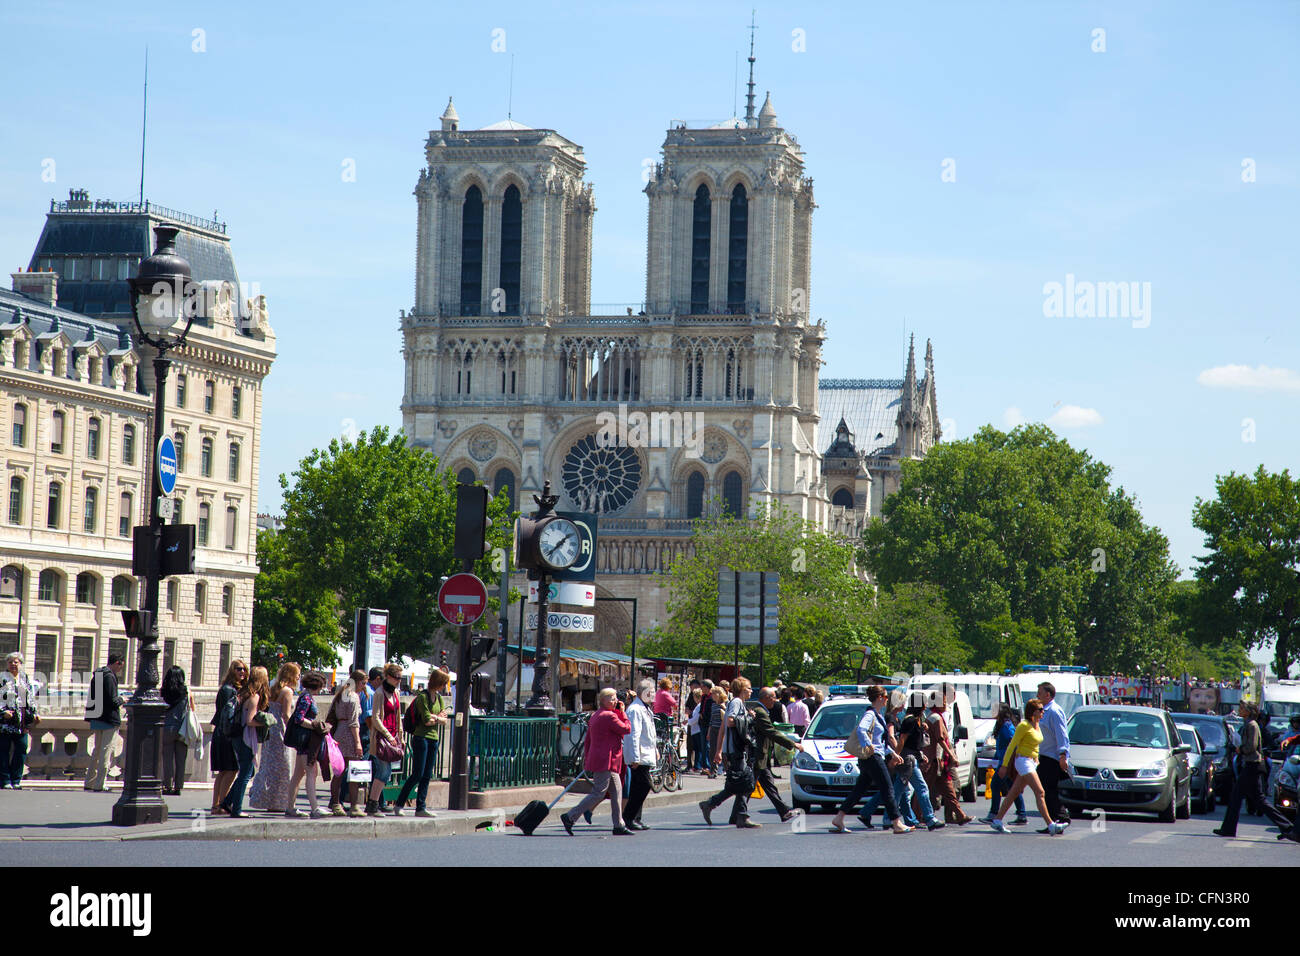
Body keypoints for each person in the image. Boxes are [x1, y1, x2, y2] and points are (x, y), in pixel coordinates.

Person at [830, 686, 913, 834]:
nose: (887, 700)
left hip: (870, 757)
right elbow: (862, 730)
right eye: (886, 697)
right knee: (888, 788)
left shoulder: (877, 715)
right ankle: (896, 823)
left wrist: (892, 753)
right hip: (873, 758)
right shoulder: (870, 714)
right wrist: (868, 746)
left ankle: (839, 818)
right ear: (880, 698)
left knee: (859, 790)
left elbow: (879, 741)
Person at [1215, 703, 1294, 839]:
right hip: (1251, 764)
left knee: (1240, 797)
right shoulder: (1249, 724)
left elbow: (1252, 746)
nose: (1239, 711)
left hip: (1253, 765)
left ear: (1249, 711)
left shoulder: (1252, 725)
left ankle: (1228, 829)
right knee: (1256, 799)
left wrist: (1240, 748)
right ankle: (1288, 828)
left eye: (1242, 709)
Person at [561, 688, 633, 835]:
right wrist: (624, 713)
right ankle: (570, 816)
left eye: (615, 698)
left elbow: (589, 739)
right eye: (611, 698)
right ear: (603, 700)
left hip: (604, 759)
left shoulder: (596, 715)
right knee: (598, 793)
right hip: (605, 760)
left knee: (617, 790)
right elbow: (626, 729)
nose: (615, 701)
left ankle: (619, 824)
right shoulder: (608, 716)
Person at [989, 698, 1064, 834]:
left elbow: (1034, 744)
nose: (1043, 712)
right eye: (1040, 710)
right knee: (1040, 792)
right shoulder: (1023, 726)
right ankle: (1051, 824)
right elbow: (1012, 746)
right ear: (1033, 712)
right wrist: (1004, 766)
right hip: (1023, 761)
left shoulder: (1037, 725)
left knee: (1013, 792)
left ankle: (997, 820)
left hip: (1031, 762)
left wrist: (1036, 757)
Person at [699, 677, 763, 829]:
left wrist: (719, 750)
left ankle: (723, 809)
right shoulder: (736, 703)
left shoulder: (736, 703)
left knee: (738, 783)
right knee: (745, 783)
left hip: (732, 749)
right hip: (736, 750)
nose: (751, 691)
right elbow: (730, 722)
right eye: (748, 688)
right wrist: (749, 718)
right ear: (741, 689)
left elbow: (723, 728)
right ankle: (715, 806)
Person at [395, 668, 450, 817]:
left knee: (427, 775)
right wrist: (438, 718)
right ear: (438, 682)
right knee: (417, 774)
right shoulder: (422, 697)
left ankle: (421, 807)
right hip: (421, 738)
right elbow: (426, 720)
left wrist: (436, 718)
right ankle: (399, 803)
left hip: (434, 739)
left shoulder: (439, 698)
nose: (445, 686)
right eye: (443, 683)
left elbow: (444, 720)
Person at [219, 664, 269, 817]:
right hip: (245, 737)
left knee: (248, 770)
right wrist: (267, 722)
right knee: (246, 773)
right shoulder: (254, 696)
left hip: (237, 736)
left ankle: (227, 802)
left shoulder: (244, 692)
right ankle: (237, 809)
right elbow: (249, 721)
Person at [250, 662, 298, 812]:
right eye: (297, 674)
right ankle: (280, 802)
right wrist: (295, 730)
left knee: (270, 766)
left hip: (271, 730)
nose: (298, 677)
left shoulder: (274, 689)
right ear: (291, 675)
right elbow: (286, 714)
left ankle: (267, 799)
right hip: (281, 731)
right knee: (284, 767)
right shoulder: (288, 691)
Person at [892, 695, 944, 830]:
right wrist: (895, 756)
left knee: (899, 790)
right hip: (907, 759)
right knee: (919, 788)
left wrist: (920, 754)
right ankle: (930, 819)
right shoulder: (910, 721)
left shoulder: (917, 720)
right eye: (924, 704)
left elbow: (913, 743)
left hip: (911, 758)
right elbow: (903, 740)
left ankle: (889, 818)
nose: (926, 706)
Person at [284, 671, 332, 818]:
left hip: (303, 741)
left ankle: (290, 807)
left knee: (298, 774)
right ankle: (314, 808)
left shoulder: (305, 696)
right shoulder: (307, 698)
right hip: (306, 741)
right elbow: (299, 718)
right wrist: (316, 726)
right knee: (311, 772)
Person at [923, 688, 973, 825]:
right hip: (937, 759)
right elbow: (940, 739)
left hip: (942, 759)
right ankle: (919, 816)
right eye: (943, 701)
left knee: (950, 789)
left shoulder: (941, 714)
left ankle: (958, 815)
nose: (946, 704)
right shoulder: (935, 717)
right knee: (924, 789)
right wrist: (951, 755)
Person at [750, 687, 801, 821]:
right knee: (747, 787)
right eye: (773, 697)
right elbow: (771, 732)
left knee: (769, 785)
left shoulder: (762, 711)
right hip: (758, 755)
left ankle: (784, 812)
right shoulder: (760, 712)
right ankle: (713, 804)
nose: (775, 700)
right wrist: (793, 744)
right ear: (766, 698)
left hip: (763, 756)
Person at [84, 651, 126, 792]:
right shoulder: (109, 677)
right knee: (106, 751)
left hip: (97, 717)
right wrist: (122, 699)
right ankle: (100, 783)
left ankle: (89, 781)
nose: (121, 670)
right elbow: (113, 700)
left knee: (96, 751)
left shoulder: (98, 675)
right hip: (109, 719)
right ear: (117, 663)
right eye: (121, 666)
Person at [980, 703, 1028, 825]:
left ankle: (994, 814)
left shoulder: (1006, 726)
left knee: (995, 785)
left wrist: (1006, 763)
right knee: (1013, 788)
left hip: (1006, 763)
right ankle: (1022, 815)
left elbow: (1013, 743)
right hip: (1003, 762)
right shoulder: (1002, 725)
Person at [366, 663, 404, 816]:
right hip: (382, 737)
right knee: (383, 771)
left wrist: (399, 735)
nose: (399, 681)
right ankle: (373, 805)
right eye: (396, 678)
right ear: (388, 677)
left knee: (385, 772)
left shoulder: (396, 693)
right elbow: (375, 717)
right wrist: (388, 735)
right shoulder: (379, 693)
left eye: (400, 678)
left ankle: (373, 804)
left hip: (393, 737)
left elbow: (397, 716)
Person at [210, 660, 247, 814]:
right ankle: (223, 804)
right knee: (230, 770)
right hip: (226, 734)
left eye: (245, 669)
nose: (243, 672)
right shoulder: (230, 691)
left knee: (224, 771)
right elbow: (228, 714)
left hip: (220, 732)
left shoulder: (226, 688)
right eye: (239, 669)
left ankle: (216, 805)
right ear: (232, 670)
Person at [328, 671, 367, 816]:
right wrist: (358, 743)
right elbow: (354, 722)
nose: (364, 686)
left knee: (338, 772)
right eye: (363, 683)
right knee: (355, 772)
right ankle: (354, 806)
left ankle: (335, 803)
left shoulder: (341, 694)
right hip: (350, 735)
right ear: (357, 681)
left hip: (339, 732)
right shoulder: (354, 697)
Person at [621, 678, 658, 830]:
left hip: (645, 754)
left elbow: (649, 733)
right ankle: (628, 817)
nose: (654, 695)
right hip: (640, 756)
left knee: (638, 787)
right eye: (652, 693)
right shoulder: (636, 709)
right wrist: (635, 757)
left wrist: (655, 749)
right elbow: (633, 735)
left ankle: (635, 818)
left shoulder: (645, 708)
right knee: (644, 785)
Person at [1035, 681, 1072, 826]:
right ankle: (1054, 822)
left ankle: (1061, 818)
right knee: (1045, 791)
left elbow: (1062, 735)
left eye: (1040, 692)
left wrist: (1063, 755)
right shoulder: (1043, 710)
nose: (1037, 695)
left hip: (1052, 758)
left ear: (1048, 694)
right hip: (1043, 756)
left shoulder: (1055, 711)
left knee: (1048, 791)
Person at [0, 652, 38, 789]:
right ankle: (5, 780)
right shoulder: (2, 678)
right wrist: (2, 712)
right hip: (5, 722)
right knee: (3, 751)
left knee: (21, 749)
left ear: (21, 664)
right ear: (7, 664)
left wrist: (34, 713)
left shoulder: (24, 678)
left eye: (16, 662)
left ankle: (16, 780)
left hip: (21, 722)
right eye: (10, 662)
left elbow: (30, 698)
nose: (13, 664)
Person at [160, 665, 192, 795]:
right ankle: (178, 786)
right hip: (182, 728)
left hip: (167, 727)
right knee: (180, 759)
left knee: (167, 758)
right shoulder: (185, 691)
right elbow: (191, 708)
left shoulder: (163, 692)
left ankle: (167, 786)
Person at [706, 684, 726, 778]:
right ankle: (713, 770)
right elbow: (711, 719)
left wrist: (724, 708)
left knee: (723, 751)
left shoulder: (726, 703)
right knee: (712, 750)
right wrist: (709, 731)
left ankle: (727, 769)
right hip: (714, 728)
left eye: (714, 694)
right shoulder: (713, 705)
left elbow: (729, 716)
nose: (712, 696)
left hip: (722, 729)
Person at [684, 687, 703, 772]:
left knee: (698, 749)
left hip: (697, 729)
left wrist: (687, 721)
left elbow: (695, 719)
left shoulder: (699, 706)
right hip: (696, 729)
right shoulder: (699, 706)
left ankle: (697, 765)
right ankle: (696, 765)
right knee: (697, 748)